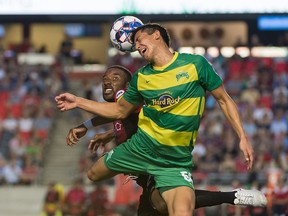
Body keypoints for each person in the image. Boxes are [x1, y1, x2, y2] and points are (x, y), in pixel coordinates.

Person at [55, 23, 258, 216]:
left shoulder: (195, 65)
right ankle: (145, 175)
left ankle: (231, 196)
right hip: (140, 149)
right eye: (134, 44)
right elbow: (120, 110)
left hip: (173, 161)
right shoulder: (141, 77)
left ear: (157, 35)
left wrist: (242, 136)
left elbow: (224, 100)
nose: (137, 46)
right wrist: (78, 102)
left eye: (140, 40)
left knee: (175, 209)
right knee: (93, 174)